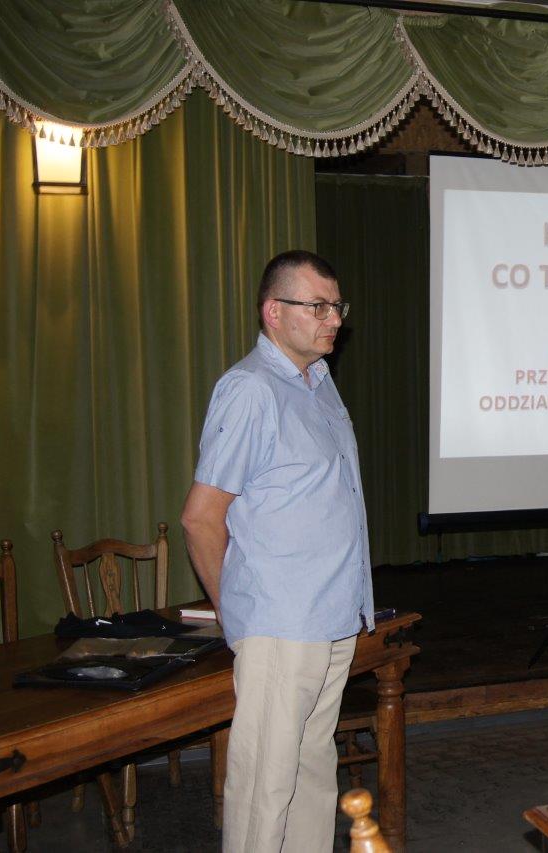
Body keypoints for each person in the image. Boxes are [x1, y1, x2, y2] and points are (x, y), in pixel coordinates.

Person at [181, 249, 373, 853]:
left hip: (331, 617)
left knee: (313, 775)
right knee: (264, 787)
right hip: (281, 623)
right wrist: (238, 614)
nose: (333, 319)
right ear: (273, 312)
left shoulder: (320, 384)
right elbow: (201, 518)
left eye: (336, 306)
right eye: (317, 306)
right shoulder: (250, 391)